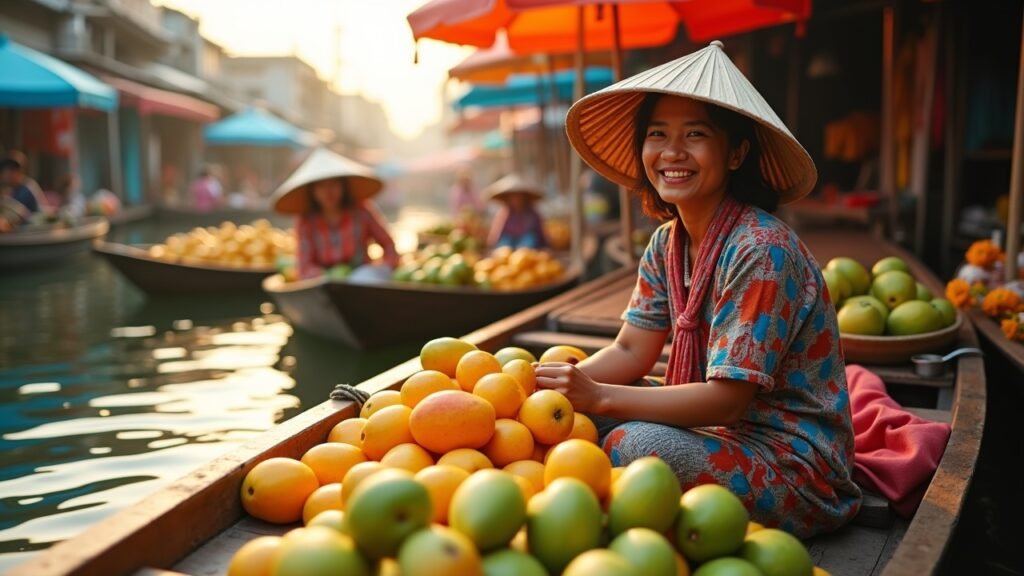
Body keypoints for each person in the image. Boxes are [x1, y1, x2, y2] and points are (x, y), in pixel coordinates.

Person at [538, 41, 861, 538]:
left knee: (632, 445)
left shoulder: (762, 249)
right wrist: (548, 389)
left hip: (791, 465)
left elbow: (726, 401)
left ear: (735, 153)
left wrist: (599, 396)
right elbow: (630, 348)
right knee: (569, 422)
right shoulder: (666, 242)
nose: (672, 152)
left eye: (695, 134)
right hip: (720, 435)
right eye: (658, 134)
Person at [271, 147, 398, 280]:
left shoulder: (362, 211)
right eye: (321, 186)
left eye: (334, 184)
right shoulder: (306, 221)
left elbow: (389, 245)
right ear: (312, 191)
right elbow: (304, 266)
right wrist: (326, 276)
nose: (328, 192)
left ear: (343, 186)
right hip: (323, 285)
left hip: (361, 282)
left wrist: (385, 267)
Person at [484, 173, 548, 250]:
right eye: (513, 197)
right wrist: (492, 243)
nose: (516, 200)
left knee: (530, 238)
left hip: (526, 243)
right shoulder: (505, 212)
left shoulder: (532, 213)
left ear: (524, 197)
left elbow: (540, 230)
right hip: (510, 241)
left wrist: (547, 244)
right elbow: (498, 230)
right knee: (505, 242)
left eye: (518, 196)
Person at [1, 150, 46, 217]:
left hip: (31, 225)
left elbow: (40, 214)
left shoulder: (29, 187)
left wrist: (9, 204)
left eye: (14, 169)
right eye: (8, 169)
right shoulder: (7, 189)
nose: (10, 174)